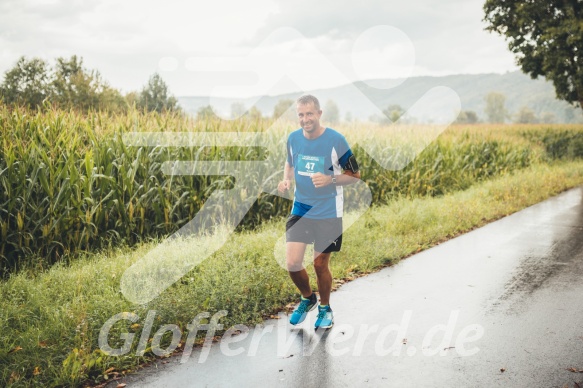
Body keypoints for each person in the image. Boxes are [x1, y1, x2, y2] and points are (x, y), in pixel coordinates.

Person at [277, 94, 361, 329]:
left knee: (319, 265)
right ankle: (308, 298)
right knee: (293, 263)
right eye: (301, 115)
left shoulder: (336, 140)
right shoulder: (293, 138)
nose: (305, 119)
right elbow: (290, 163)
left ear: (319, 113)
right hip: (301, 208)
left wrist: (330, 179)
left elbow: (355, 175)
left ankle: (325, 307)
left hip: (328, 212)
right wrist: (286, 180)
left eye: (310, 114)